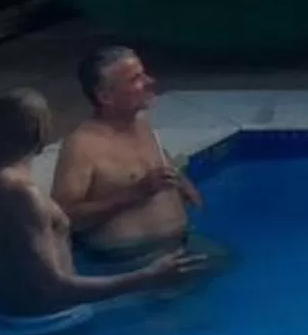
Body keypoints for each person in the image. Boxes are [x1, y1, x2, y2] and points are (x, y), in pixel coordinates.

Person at [0, 91, 209, 326]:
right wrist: (146, 277)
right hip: (54, 321)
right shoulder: (25, 197)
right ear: (43, 132)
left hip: (4, 318)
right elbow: (54, 288)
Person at [52, 45, 205, 273]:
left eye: (144, 74)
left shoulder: (141, 124)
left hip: (179, 246)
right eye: (136, 79)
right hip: (130, 263)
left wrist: (182, 182)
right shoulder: (82, 146)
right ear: (105, 96)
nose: (150, 81)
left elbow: (160, 164)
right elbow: (62, 219)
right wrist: (135, 193)